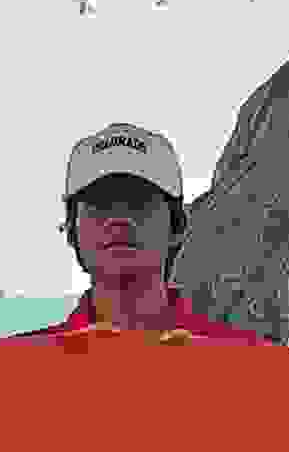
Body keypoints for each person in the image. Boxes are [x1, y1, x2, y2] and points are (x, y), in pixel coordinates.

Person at [32, 125, 258, 340]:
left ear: (177, 226)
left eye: (138, 202)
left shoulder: (249, 360)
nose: (119, 220)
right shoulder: (20, 362)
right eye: (99, 204)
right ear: (72, 231)